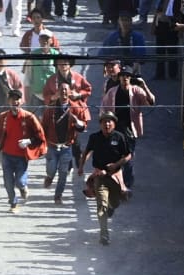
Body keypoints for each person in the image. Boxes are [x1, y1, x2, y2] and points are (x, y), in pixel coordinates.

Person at [0, 90, 46, 213]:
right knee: (8, 182)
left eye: (17, 99)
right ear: (9, 101)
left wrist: (29, 141)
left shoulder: (29, 117)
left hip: (21, 157)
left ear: (21, 101)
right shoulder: (3, 117)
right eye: (13, 99)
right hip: (7, 155)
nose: (15, 102)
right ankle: (13, 204)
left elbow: (40, 136)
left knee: (19, 181)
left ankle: (23, 188)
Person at [78, 111, 132, 246]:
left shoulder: (119, 137)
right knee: (101, 205)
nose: (107, 124)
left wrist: (116, 165)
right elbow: (87, 152)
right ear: (100, 124)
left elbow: (128, 155)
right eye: (104, 122)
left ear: (114, 123)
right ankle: (104, 235)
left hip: (115, 176)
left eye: (110, 121)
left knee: (114, 203)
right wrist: (81, 166)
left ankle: (111, 207)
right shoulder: (94, 137)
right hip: (99, 176)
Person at [41, 84, 88, 204]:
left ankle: (58, 196)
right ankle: (50, 177)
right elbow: (43, 127)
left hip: (66, 147)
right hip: (52, 146)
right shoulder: (50, 110)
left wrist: (77, 121)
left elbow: (82, 127)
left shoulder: (75, 108)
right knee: (51, 169)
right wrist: (43, 144)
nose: (64, 92)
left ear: (70, 92)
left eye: (66, 90)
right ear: (57, 92)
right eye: (61, 90)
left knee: (63, 173)